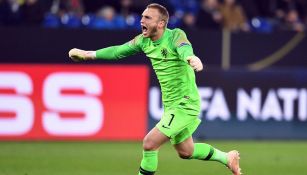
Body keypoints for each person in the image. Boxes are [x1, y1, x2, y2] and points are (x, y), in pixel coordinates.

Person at [68, 3, 241, 175]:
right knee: (186, 151)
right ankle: (227, 158)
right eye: (142, 16)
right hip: (171, 104)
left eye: (147, 17)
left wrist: (191, 57)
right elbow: (118, 51)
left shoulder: (175, 35)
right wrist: (87, 54)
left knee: (149, 143)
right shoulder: (143, 41)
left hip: (185, 103)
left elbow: (184, 47)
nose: (141, 20)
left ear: (161, 23)